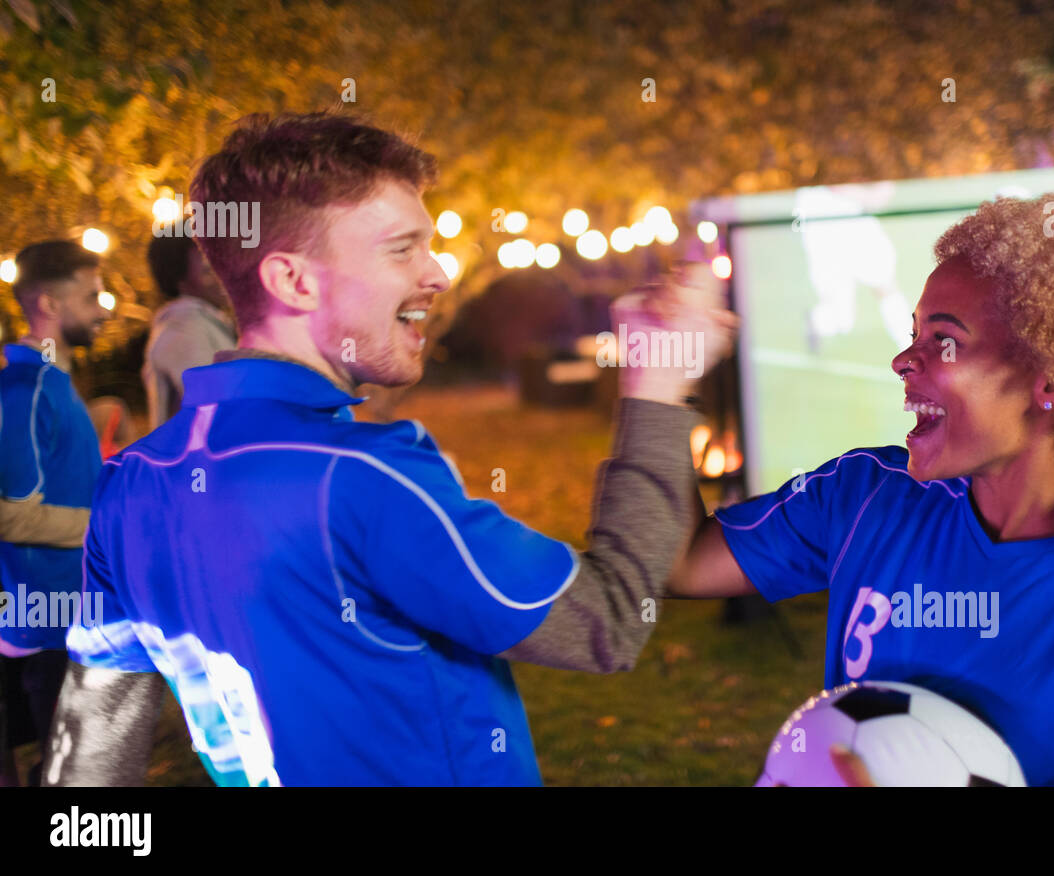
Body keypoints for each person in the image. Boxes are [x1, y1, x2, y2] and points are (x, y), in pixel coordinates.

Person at [43, 112, 735, 786]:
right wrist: (655, 388)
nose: (437, 274)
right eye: (402, 248)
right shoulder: (359, 475)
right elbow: (607, 619)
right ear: (293, 281)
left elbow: (92, 749)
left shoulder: (129, 484)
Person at [667, 196, 1054, 786]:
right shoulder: (863, 495)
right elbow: (679, 564)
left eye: (943, 340)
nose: (903, 360)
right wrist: (656, 390)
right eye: (913, 333)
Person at [0, 240, 110, 786]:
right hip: (48, 627)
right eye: (90, 296)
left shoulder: (52, 383)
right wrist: (104, 527)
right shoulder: (27, 387)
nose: (104, 308)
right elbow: (12, 515)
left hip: (75, 619)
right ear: (47, 304)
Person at [142, 232, 236, 429]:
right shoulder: (185, 325)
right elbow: (214, 405)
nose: (223, 276)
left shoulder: (206, 322)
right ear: (179, 278)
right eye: (208, 270)